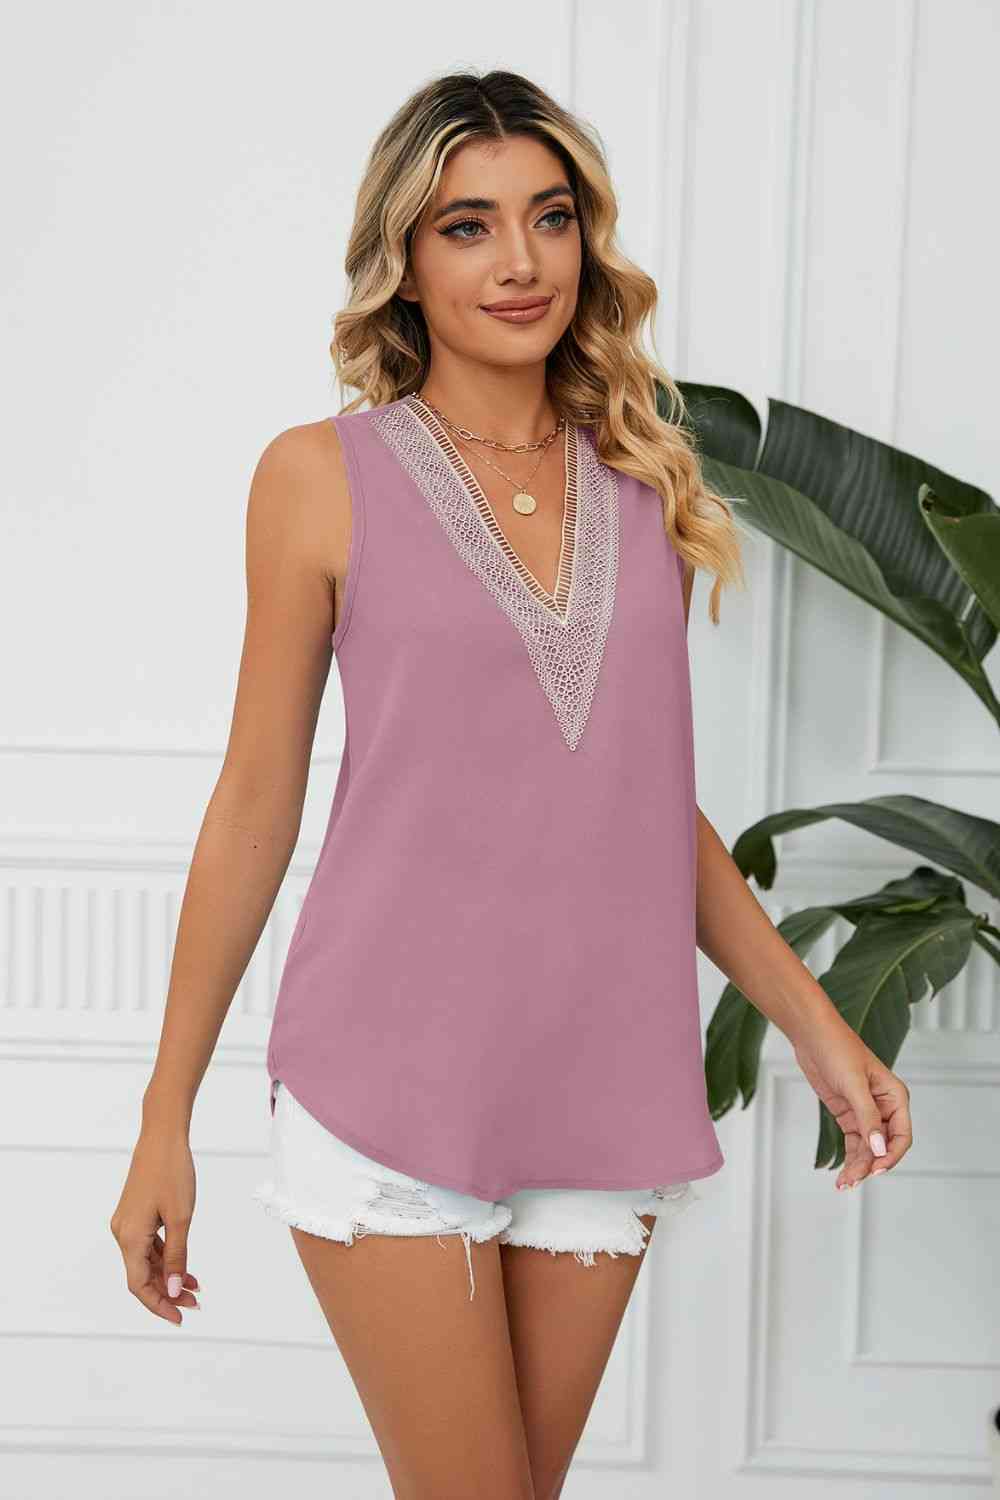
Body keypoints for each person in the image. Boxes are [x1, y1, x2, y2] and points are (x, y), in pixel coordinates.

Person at [110, 68, 913, 1500]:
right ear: (405, 260)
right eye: (467, 226)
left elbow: (642, 807)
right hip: (386, 1075)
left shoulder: (646, 484)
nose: (521, 261)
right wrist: (164, 1113)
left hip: (602, 1083)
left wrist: (816, 1024)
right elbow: (253, 801)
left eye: (549, 217)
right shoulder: (317, 476)